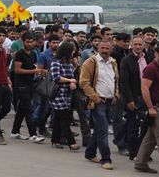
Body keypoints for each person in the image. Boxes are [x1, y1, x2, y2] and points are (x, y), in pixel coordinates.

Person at [80, 40, 120, 170]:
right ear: (98, 48)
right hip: (98, 102)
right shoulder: (90, 62)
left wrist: (116, 95)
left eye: (107, 48)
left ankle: (90, 153)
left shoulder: (113, 63)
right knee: (103, 130)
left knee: (99, 129)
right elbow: (83, 82)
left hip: (110, 101)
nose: (104, 50)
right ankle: (106, 159)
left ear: (111, 49)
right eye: (102, 48)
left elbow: (116, 80)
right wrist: (94, 97)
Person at [134, 42, 159, 173]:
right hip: (157, 108)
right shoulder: (151, 68)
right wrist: (150, 108)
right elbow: (144, 88)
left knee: (150, 138)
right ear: (156, 53)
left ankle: (140, 163)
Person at [11, 31, 45, 143]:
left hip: (30, 84)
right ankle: (33, 134)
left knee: (21, 110)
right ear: (23, 41)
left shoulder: (34, 52)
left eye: (31, 42)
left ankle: (15, 132)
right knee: (29, 109)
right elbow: (17, 70)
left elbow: (35, 66)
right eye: (27, 42)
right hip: (21, 85)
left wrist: (41, 71)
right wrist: (33, 71)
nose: (29, 44)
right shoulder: (19, 53)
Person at [120, 36, 148, 161]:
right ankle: (133, 152)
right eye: (135, 44)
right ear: (132, 45)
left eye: (139, 44)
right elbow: (124, 82)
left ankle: (142, 152)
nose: (137, 46)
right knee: (133, 126)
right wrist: (129, 100)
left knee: (145, 126)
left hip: (146, 97)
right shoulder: (126, 60)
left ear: (143, 45)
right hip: (133, 97)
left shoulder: (146, 58)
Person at [49, 41, 79, 150]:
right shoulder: (55, 62)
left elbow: (71, 76)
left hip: (67, 93)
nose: (73, 53)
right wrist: (70, 80)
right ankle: (71, 142)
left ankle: (55, 140)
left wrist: (71, 82)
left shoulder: (69, 63)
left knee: (58, 117)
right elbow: (56, 78)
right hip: (58, 93)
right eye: (72, 51)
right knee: (65, 118)